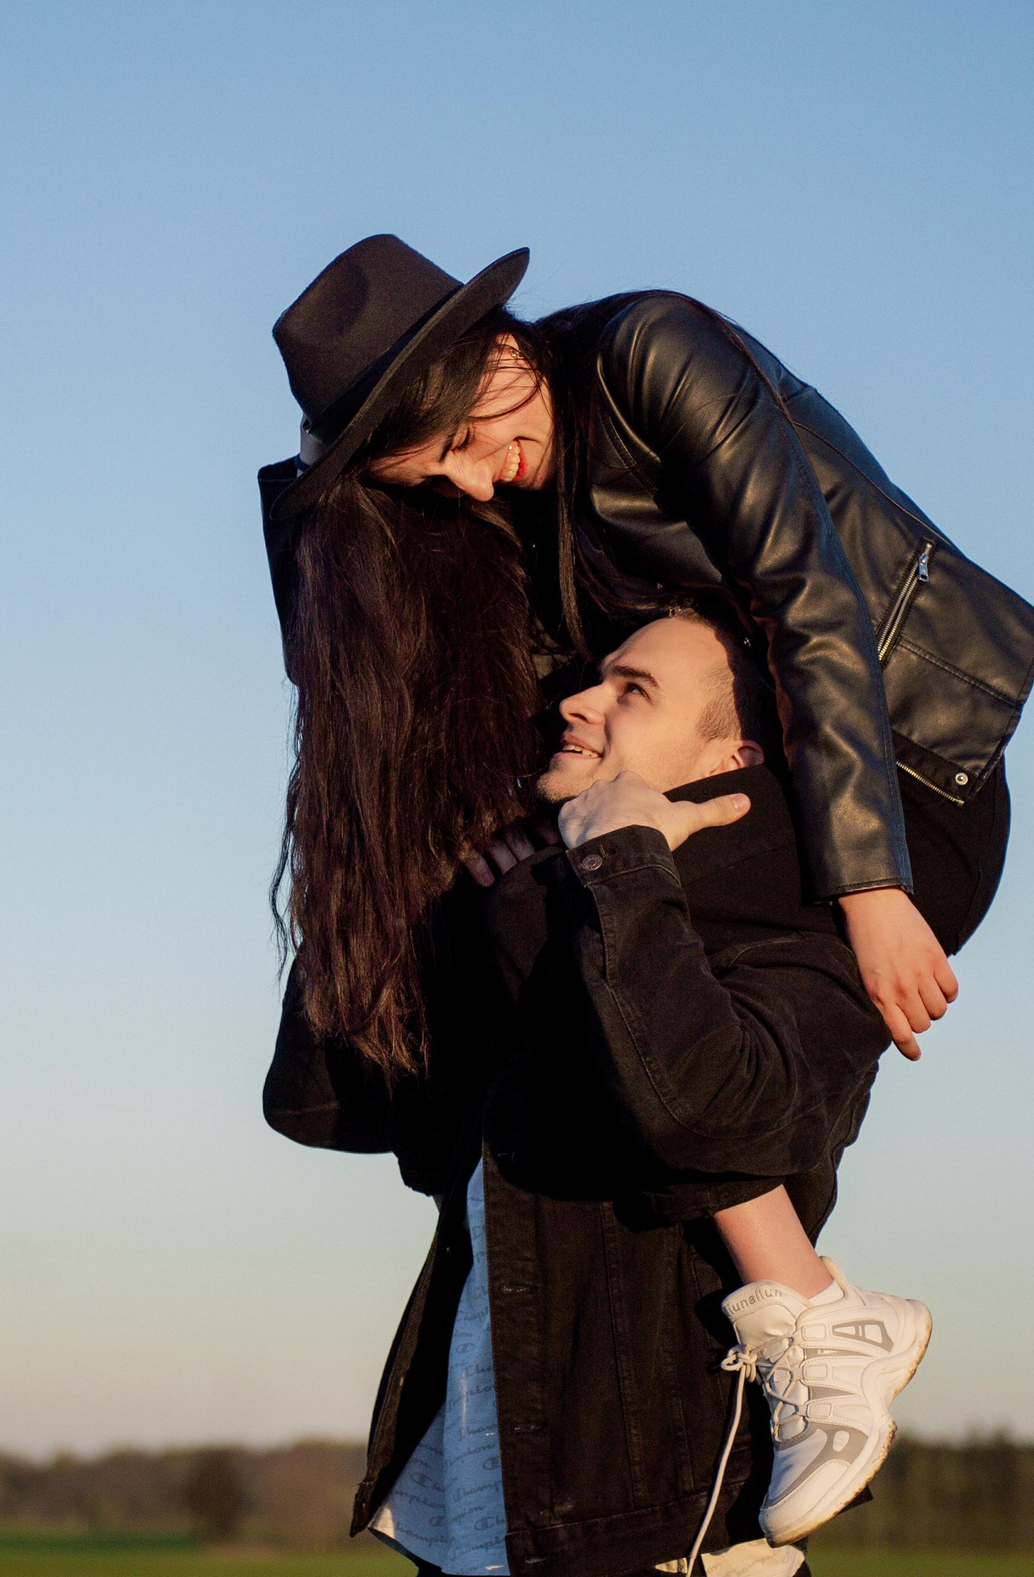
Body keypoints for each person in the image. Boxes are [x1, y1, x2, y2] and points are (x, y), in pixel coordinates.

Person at [257, 235, 1034, 1536]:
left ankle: (809, 1324)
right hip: (735, 774)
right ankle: (740, 1318)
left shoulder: (651, 355)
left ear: (498, 348)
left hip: (898, 777)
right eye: (435, 475)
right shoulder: (504, 478)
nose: (470, 482)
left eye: (460, 440)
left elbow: (814, 596)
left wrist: (868, 881)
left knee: (571, 924)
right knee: (516, 908)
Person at [266, 610, 922, 1576]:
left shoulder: (801, 951)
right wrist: (419, 905)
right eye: (594, 678)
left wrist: (620, 861)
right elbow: (323, 1102)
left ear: (728, 759)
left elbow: (697, 1111)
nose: (577, 701)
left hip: (658, 1523)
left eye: (634, 690)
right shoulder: (534, 925)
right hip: (475, 1518)